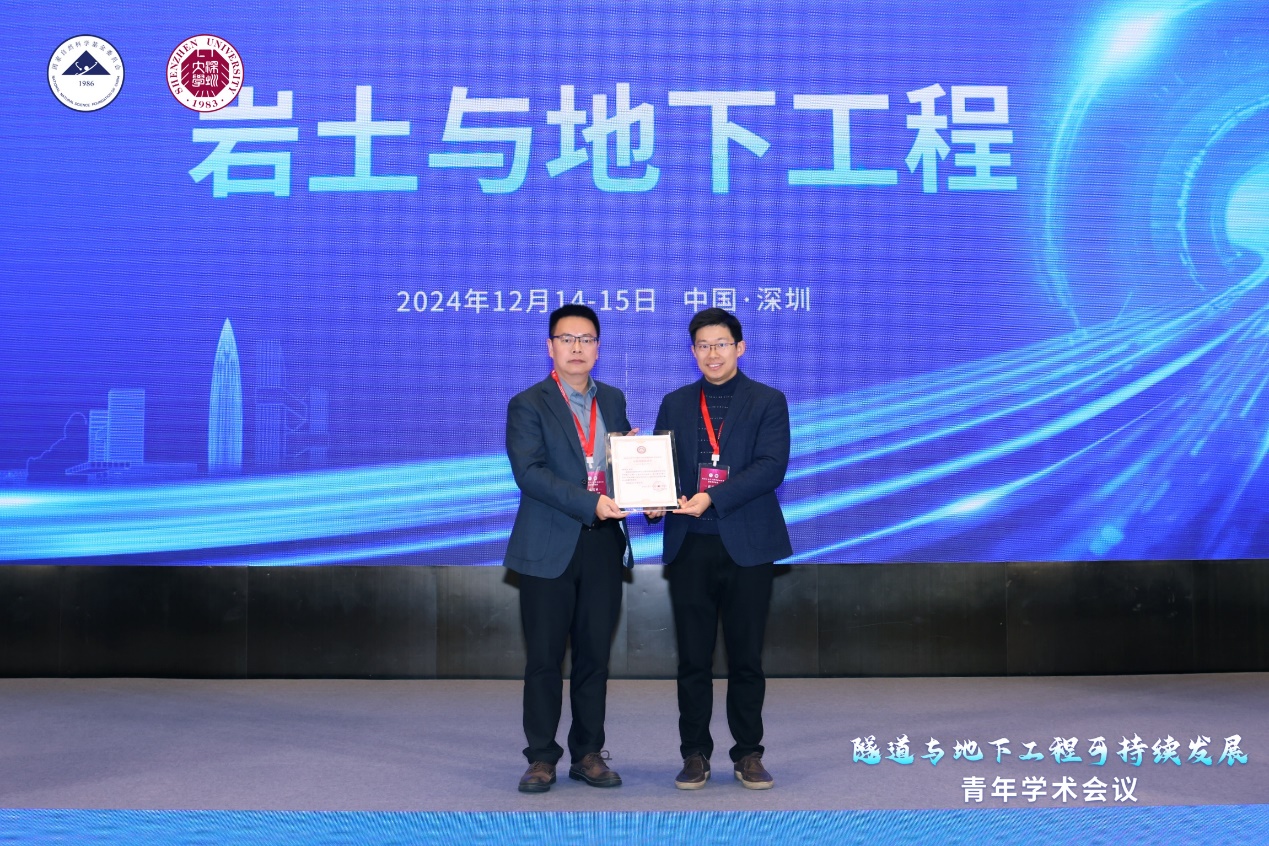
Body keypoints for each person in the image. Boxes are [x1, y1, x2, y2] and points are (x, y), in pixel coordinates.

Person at [651, 307, 792, 790]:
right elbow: (661, 468)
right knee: (692, 659)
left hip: (747, 547)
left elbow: (771, 466)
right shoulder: (675, 403)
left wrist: (713, 497)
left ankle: (748, 752)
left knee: (746, 658)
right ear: (693, 352)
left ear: (740, 347)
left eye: (721, 344)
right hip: (690, 546)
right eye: (703, 345)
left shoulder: (768, 400)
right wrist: (652, 498)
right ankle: (694, 754)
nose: (713, 353)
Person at [504, 303, 633, 794]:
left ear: (598, 348)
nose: (577, 347)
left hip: (602, 545)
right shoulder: (528, 403)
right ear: (550, 346)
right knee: (543, 659)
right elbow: (530, 473)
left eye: (586, 339)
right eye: (567, 339)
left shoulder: (614, 400)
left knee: (594, 658)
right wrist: (590, 502)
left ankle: (588, 753)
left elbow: (612, 469)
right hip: (547, 546)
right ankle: (541, 757)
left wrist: (641, 482)